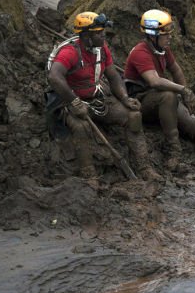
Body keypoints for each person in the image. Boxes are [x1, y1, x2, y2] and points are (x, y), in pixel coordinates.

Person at [47, 11, 162, 182]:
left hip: (96, 99)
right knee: (81, 127)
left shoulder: (102, 49)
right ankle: (90, 175)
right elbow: (54, 77)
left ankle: (144, 167)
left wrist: (124, 98)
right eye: (100, 34)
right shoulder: (70, 53)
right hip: (71, 103)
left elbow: (114, 76)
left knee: (133, 116)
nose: (103, 37)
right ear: (87, 36)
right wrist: (74, 102)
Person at [123, 9, 195, 171]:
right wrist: (183, 90)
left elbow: (176, 70)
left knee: (193, 122)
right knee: (168, 96)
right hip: (141, 102)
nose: (169, 37)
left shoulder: (162, 49)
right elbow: (154, 81)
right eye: (165, 33)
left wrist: (186, 93)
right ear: (152, 35)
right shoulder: (141, 53)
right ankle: (173, 150)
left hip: (160, 99)